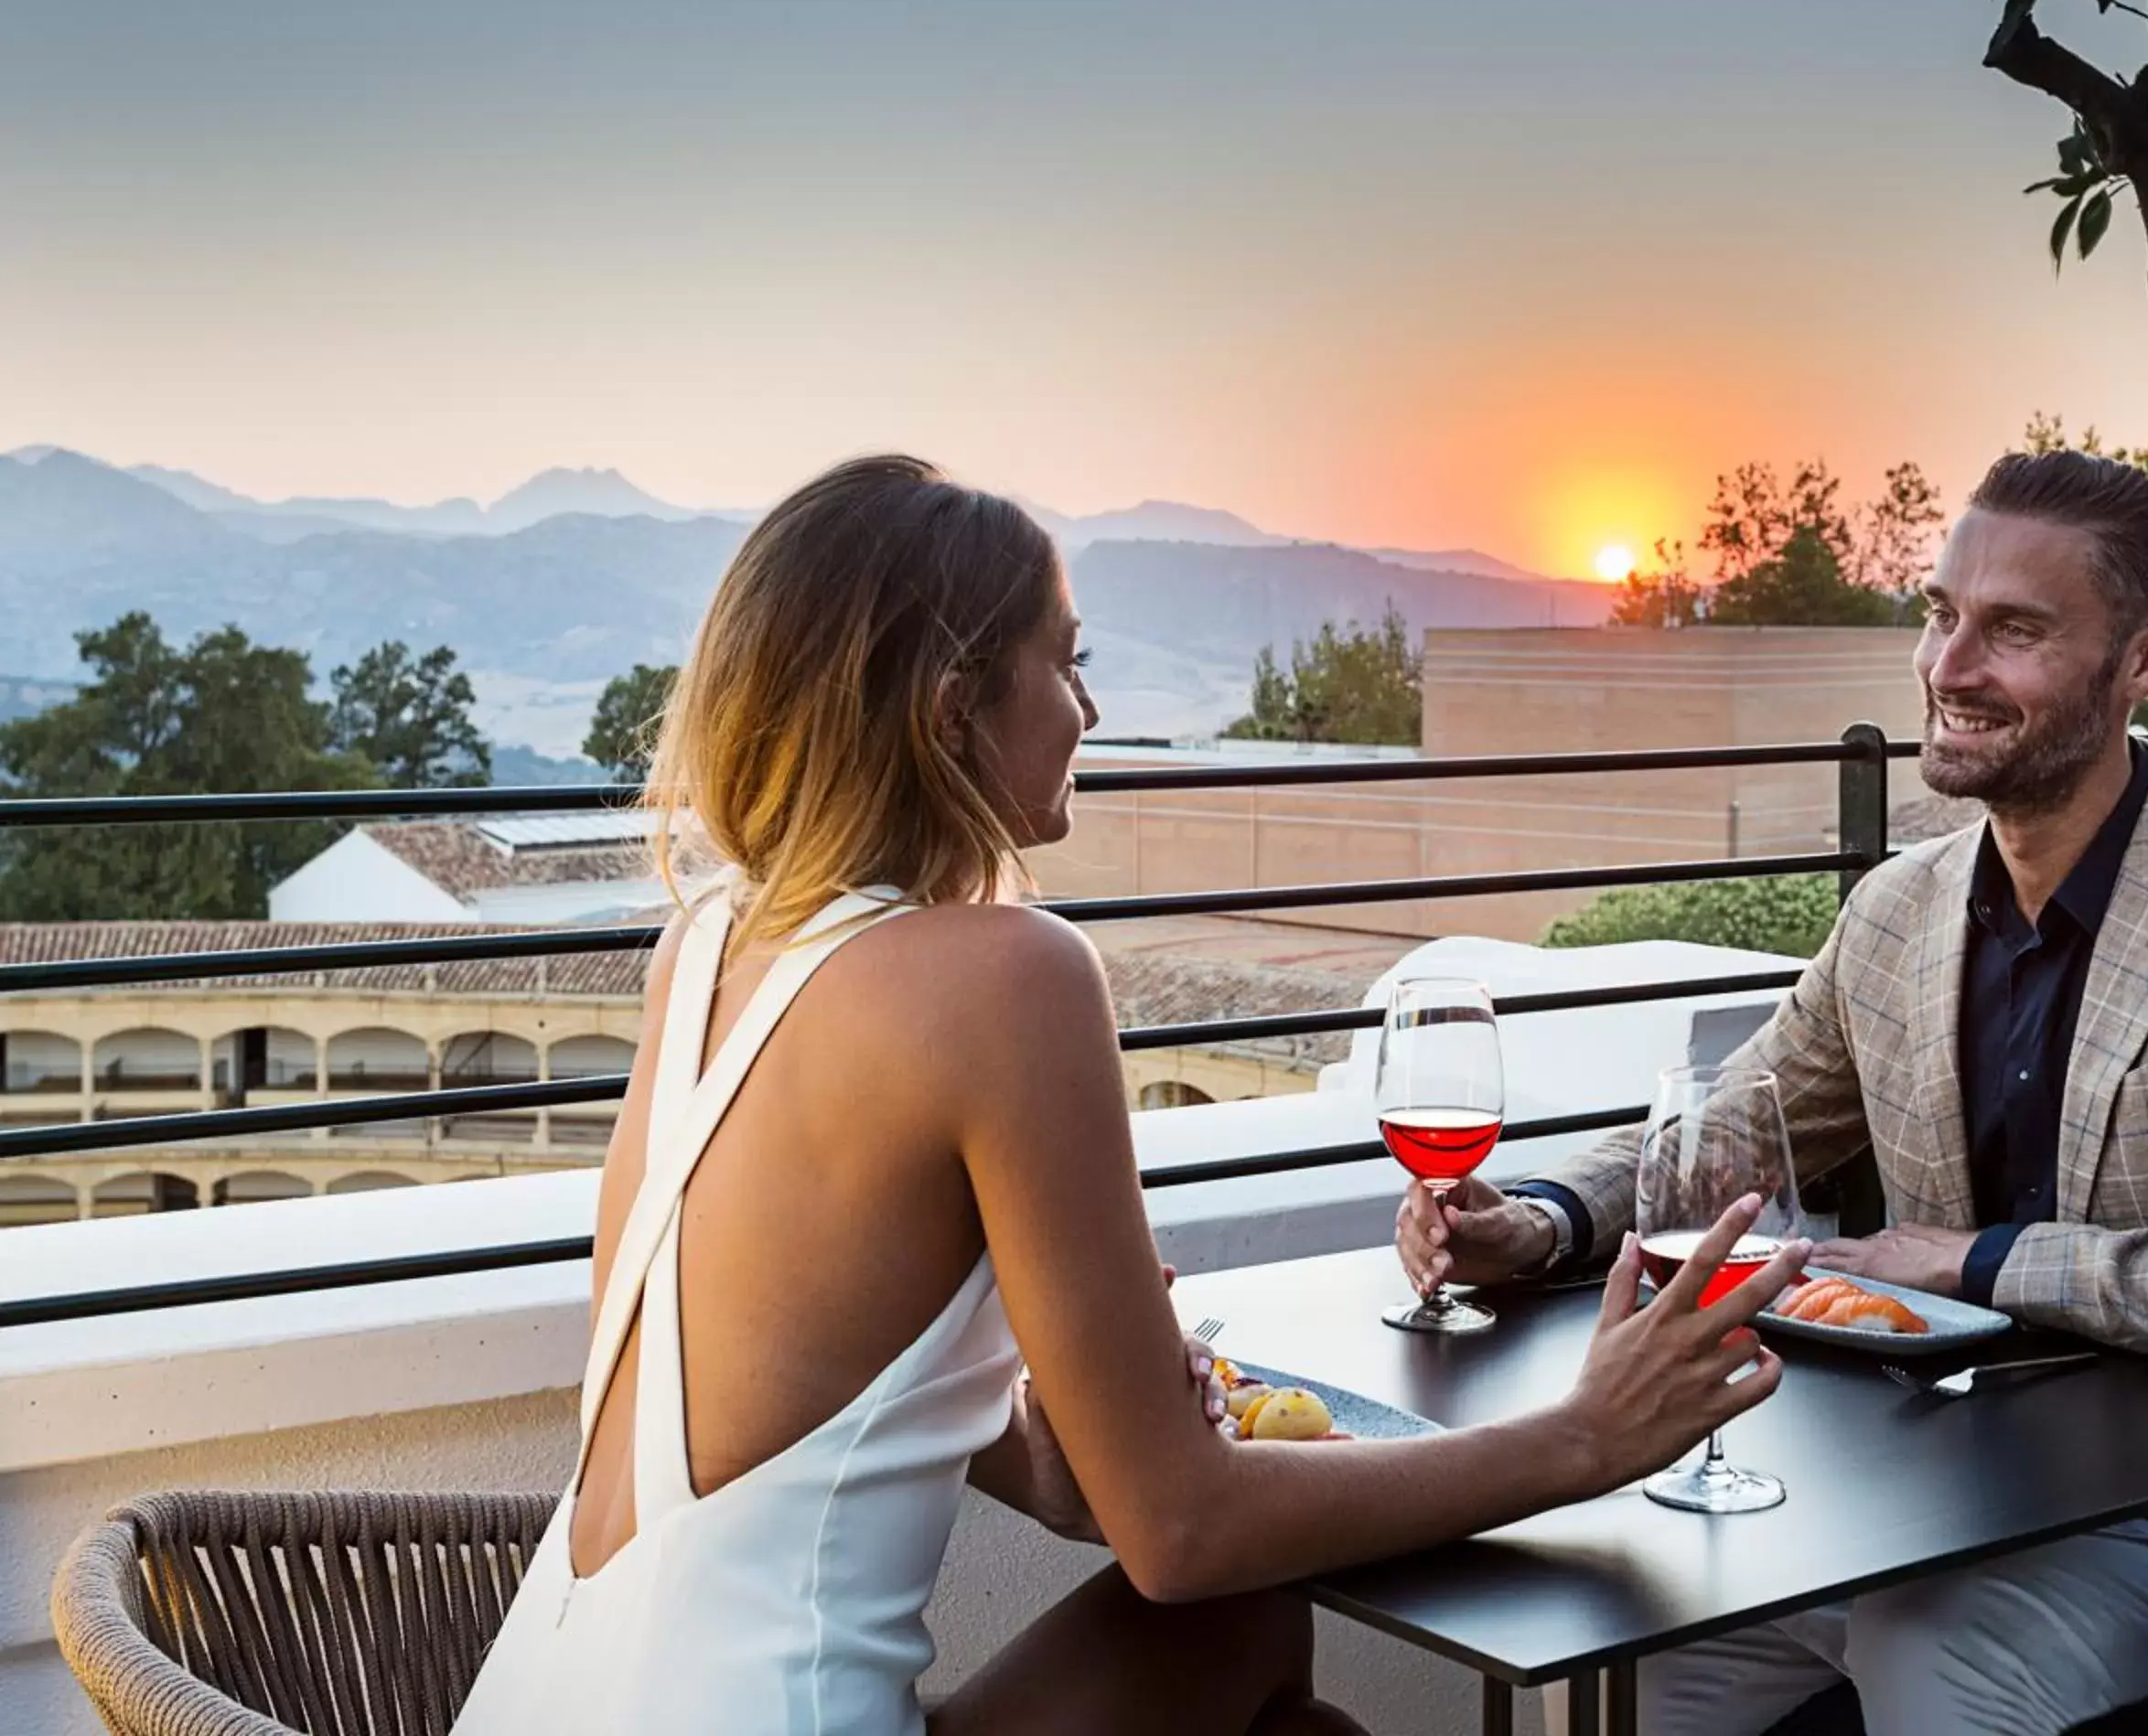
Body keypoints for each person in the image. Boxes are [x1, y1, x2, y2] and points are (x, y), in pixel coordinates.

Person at [453, 456, 1814, 1736]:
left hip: (545, 1696)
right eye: (1067, 660)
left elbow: (784, 1382)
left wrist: (1047, 1457)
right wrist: (1582, 1439)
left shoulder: (712, 949)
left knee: (1252, 1657)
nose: (1090, 713)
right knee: (1236, 1615)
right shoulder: (1004, 977)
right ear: (949, 711)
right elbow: (1180, 1533)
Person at [1393, 449, 2148, 1736]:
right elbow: (1733, 1128)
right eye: (1940, 615)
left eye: (2016, 631)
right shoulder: (1900, 911)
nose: (1948, 667)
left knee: (1936, 1654)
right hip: (1918, 1497)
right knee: (1633, 1660)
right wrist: (1535, 1216)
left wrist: (1981, 1263)